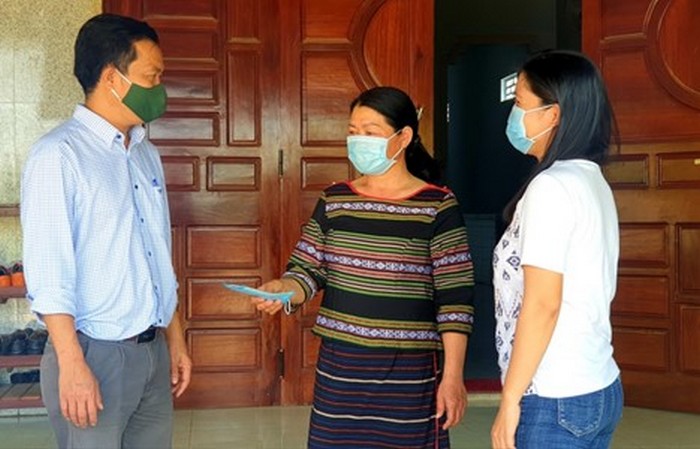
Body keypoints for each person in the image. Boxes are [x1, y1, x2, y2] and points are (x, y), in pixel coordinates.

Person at [250, 86, 475, 449]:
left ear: (404, 137)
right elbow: (308, 269)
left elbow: (455, 300)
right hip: (341, 368)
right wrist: (283, 289)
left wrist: (452, 376)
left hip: (409, 372)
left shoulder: (438, 206)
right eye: (353, 131)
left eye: (370, 132)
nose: (358, 141)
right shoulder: (335, 199)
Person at [20, 14, 191, 449]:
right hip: (93, 355)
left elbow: (158, 253)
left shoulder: (145, 154)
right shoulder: (59, 156)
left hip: (151, 351)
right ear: (112, 78)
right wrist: (72, 364)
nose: (160, 88)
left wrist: (174, 338)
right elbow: (49, 272)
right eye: (151, 77)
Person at [490, 50, 622, 449]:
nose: (514, 115)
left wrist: (510, 400)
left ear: (552, 114)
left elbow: (543, 303)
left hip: (553, 394)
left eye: (519, 103)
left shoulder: (551, 187)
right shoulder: (591, 180)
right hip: (598, 383)